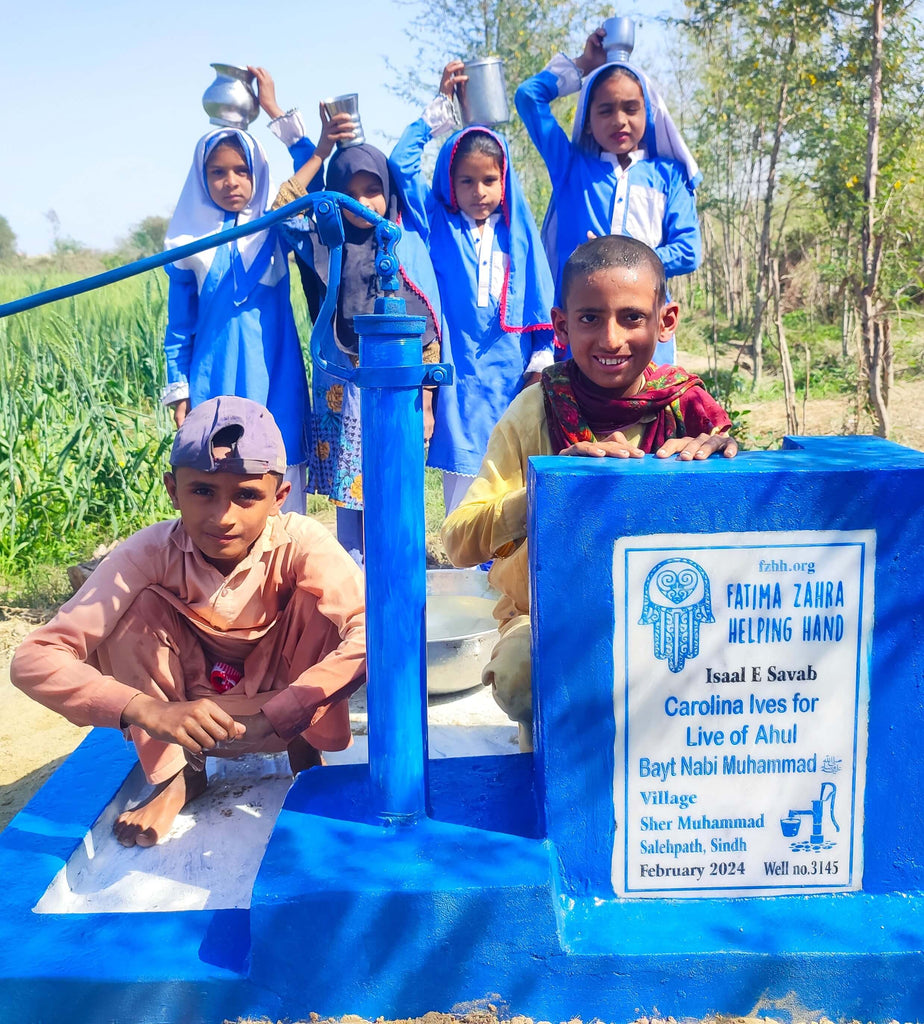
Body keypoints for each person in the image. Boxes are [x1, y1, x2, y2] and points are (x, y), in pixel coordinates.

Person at [10, 397, 366, 848]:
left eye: (247, 496)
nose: (223, 517)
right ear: (171, 490)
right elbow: (33, 659)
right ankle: (181, 776)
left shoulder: (302, 543)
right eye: (202, 492)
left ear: (279, 498)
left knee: (326, 608)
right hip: (189, 714)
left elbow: (372, 632)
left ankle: (304, 752)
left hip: (288, 708)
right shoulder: (148, 552)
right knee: (132, 611)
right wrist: (147, 710)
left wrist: (291, 709)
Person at [441, 236, 736, 751]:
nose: (611, 338)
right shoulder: (536, 412)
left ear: (666, 321)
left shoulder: (688, 412)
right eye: (590, 318)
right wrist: (549, 488)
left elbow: (747, 529)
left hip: (666, 611)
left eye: (631, 317)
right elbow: (459, 542)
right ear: (560, 325)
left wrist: (713, 472)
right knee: (522, 672)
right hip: (549, 611)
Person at [269, 100, 444, 565]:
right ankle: (354, 583)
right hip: (342, 383)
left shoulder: (404, 245)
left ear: (389, 191)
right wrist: (320, 151)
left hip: (396, 386)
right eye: (350, 192)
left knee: (394, 485)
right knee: (351, 492)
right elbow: (281, 210)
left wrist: (426, 403)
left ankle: (395, 575)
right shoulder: (325, 245)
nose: (364, 202)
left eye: (373, 190)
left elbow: (428, 329)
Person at [391, 61, 556, 514]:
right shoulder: (437, 224)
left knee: (513, 481)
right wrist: (439, 109)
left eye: (489, 180)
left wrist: (542, 359)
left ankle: (505, 577)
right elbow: (401, 164)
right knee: (463, 496)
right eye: (466, 180)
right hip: (458, 372)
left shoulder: (515, 232)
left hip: (513, 372)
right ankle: (466, 573)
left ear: (504, 181)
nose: (479, 191)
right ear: (449, 181)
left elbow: (541, 294)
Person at [515, 28, 702, 363]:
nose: (620, 120)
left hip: (645, 328)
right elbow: (528, 97)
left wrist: (621, 256)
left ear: (648, 114)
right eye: (605, 110)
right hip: (582, 329)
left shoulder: (668, 177)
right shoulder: (570, 167)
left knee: (647, 411)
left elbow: (689, 251)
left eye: (631, 108)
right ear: (587, 121)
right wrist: (584, 63)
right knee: (579, 412)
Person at [162, 127, 312, 513]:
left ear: (257, 173)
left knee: (280, 463)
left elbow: (311, 181)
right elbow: (179, 327)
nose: (231, 181)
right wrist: (179, 390)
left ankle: (284, 567)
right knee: (220, 470)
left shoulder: (278, 222)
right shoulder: (187, 244)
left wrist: (298, 134)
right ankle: (224, 568)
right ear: (201, 177)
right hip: (214, 376)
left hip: (276, 370)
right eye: (218, 172)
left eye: (242, 170)